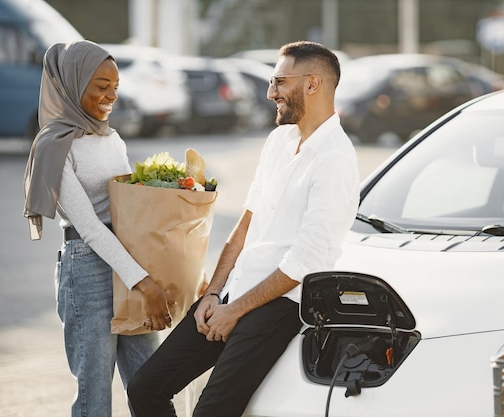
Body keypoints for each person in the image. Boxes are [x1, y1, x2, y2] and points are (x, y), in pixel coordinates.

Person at [127, 40, 360, 417]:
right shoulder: (279, 141)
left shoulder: (336, 159)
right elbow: (246, 225)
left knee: (211, 412)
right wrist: (214, 294)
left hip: (279, 306)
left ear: (313, 84)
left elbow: (305, 260)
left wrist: (234, 311)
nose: (271, 93)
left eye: (279, 82)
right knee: (144, 388)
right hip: (232, 293)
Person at [22, 40, 175, 417]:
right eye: (100, 85)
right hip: (87, 268)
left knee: (148, 384)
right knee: (95, 395)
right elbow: (89, 226)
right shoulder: (54, 144)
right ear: (75, 82)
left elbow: (131, 206)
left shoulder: (111, 137)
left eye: (115, 88)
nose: (110, 96)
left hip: (127, 260)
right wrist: (145, 283)